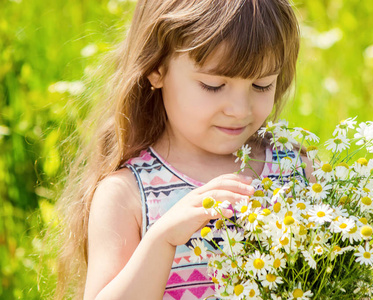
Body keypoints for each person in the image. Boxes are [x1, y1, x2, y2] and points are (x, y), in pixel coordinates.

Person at [55, 0, 311, 299]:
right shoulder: (127, 194)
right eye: (214, 85)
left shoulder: (296, 170)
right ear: (156, 69)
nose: (240, 109)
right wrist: (162, 240)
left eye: (261, 85)